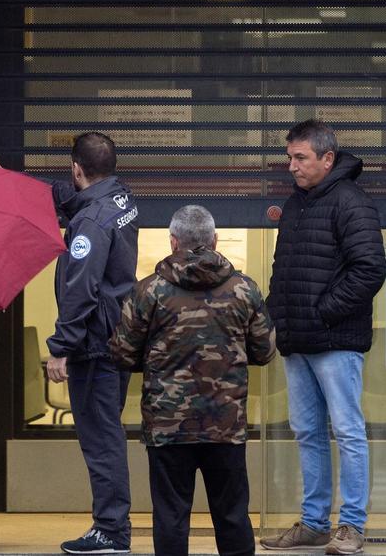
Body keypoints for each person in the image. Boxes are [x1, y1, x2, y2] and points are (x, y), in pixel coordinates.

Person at [110, 205, 276, 556]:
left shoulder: (148, 291)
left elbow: (122, 353)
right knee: (232, 516)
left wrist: (158, 362)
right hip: (226, 426)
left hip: (168, 427)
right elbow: (264, 351)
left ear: (173, 242)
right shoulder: (244, 289)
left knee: (170, 517)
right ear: (215, 240)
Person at [261, 120, 386, 555]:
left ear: (327, 158)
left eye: (301, 158)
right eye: (289, 157)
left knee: (347, 432)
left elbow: (370, 268)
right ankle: (314, 522)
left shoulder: (351, 201)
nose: (291, 166)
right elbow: (284, 270)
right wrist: (278, 319)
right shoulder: (297, 204)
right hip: (298, 341)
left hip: (334, 341)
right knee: (308, 432)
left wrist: (323, 313)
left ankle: (351, 526)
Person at [47, 131, 139, 554]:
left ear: (77, 168)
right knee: (107, 435)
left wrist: (61, 347)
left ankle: (111, 531)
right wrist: (17, 187)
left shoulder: (89, 223)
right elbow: (73, 198)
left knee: (102, 440)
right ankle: (111, 526)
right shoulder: (120, 198)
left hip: (94, 345)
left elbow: (81, 289)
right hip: (116, 336)